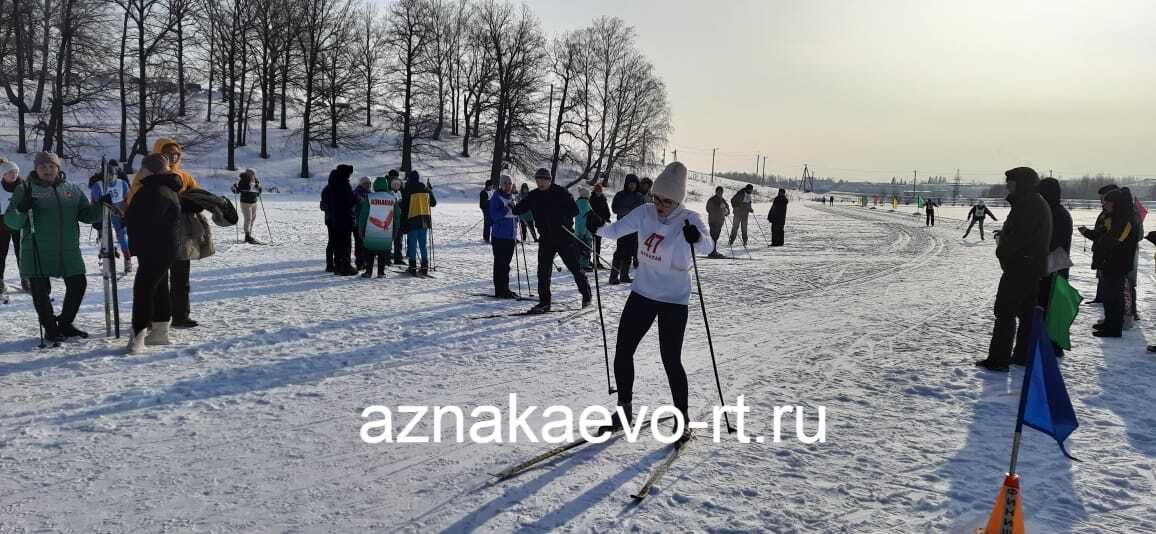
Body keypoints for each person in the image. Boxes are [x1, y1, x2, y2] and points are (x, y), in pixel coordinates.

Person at [585, 162, 712, 441]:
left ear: (678, 200)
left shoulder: (689, 218)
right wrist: (597, 226)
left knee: (670, 359)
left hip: (674, 300)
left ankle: (683, 419)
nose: (660, 205)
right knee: (623, 351)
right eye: (656, 198)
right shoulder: (644, 212)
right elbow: (615, 230)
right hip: (643, 292)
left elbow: (708, 246)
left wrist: (697, 237)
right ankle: (624, 411)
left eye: (667, 201)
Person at [3, 152, 103, 342]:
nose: (47, 170)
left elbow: (87, 215)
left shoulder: (72, 190)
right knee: (41, 291)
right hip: (37, 249)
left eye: (51, 166)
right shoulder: (25, 189)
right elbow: (12, 222)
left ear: (58, 168)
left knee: (78, 284)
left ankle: (65, 323)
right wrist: (21, 209)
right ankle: (50, 328)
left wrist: (100, 205)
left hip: (68, 249)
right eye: (43, 167)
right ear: (36, 169)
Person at [976, 167, 1052, 372]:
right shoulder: (1030, 203)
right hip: (1029, 267)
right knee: (1026, 313)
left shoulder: (1030, 205)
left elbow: (1020, 237)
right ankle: (1022, 356)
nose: (1007, 185)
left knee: (1005, 310)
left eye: (1011, 181)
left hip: (1021, 267)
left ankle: (999, 359)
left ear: (1022, 183)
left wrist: (1003, 248)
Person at [128, 139, 203, 328]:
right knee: (159, 282)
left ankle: (179, 315)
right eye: (168, 153)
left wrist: (186, 202)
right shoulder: (146, 178)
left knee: (178, 277)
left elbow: (198, 194)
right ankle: (159, 320)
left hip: (176, 232)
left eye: (176, 154)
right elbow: (133, 197)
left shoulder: (182, 177)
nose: (173, 157)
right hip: (161, 234)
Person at [511, 167, 592, 313]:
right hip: (546, 238)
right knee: (543, 271)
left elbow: (575, 210)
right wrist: (513, 207)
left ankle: (587, 296)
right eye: (538, 180)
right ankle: (544, 302)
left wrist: (560, 216)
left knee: (575, 268)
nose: (540, 183)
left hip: (564, 237)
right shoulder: (534, 195)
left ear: (549, 180)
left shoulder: (560, 192)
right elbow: (520, 208)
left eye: (543, 180)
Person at [124, 154, 182, 354]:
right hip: (162, 247)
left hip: (155, 248)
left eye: (143, 168)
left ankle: (138, 336)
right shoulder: (163, 187)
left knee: (144, 289)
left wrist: (128, 217)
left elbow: (149, 219)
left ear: (149, 170)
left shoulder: (154, 189)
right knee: (158, 288)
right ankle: (160, 332)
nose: (140, 172)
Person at [1091, 188, 1138, 338]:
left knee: (1115, 297)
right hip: (1110, 263)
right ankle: (1109, 322)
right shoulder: (1116, 218)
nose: (1105, 205)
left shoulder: (1126, 220)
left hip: (1118, 264)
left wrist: (1100, 240)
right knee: (1108, 296)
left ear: (1116, 204)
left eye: (1108, 203)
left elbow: (1115, 241)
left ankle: (1114, 327)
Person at [1036, 178, 1072, 357]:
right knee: (1045, 304)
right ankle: (1046, 342)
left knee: (1050, 305)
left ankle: (1052, 344)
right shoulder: (1053, 211)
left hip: (1054, 266)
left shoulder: (1058, 214)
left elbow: (1053, 242)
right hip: (1053, 264)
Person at [89, 160, 132, 274]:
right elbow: (94, 202)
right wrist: (96, 219)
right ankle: (106, 262)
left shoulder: (122, 183)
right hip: (104, 213)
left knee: (123, 238)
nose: (109, 178)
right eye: (107, 175)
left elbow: (128, 199)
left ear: (116, 175)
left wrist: (125, 213)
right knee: (105, 239)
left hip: (119, 213)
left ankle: (127, 261)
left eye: (112, 175)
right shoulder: (97, 186)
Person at [1078, 184, 1118, 304]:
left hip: (1109, 254)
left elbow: (1103, 236)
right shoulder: (1105, 212)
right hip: (1101, 252)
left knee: (1108, 279)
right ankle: (1100, 298)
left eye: (1103, 198)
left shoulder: (1113, 215)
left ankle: (1106, 301)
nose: (1102, 202)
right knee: (1101, 276)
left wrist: (1087, 233)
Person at [357, 175, 399, 278]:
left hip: (371, 230)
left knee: (369, 251)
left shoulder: (370, 197)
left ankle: (368, 272)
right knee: (383, 251)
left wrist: (360, 228)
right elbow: (397, 216)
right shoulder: (392, 198)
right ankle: (381, 272)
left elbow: (364, 215)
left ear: (375, 185)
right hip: (386, 231)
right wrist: (395, 230)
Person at [400, 170, 436, 276]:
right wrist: (430, 190)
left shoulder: (408, 189)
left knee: (412, 244)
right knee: (423, 244)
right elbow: (433, 203)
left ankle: (412, 267)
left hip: (412, 219)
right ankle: (424, 267)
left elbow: (404, 206)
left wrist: (403, 221)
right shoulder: (425, 188)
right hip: (424, 219)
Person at [488, 174, 519, 298]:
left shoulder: (512, 198)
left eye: (509, 184)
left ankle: (505, 289)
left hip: (510, 237)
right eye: (505, 183)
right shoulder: (496, 198)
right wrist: (506, 209)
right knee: (500, 264)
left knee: (506, 265)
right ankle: (500, 290)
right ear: (501, 184)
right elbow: (494, 216)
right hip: (499, 237)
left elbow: (515, 218)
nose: (508, 186)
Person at [610, 174, 644, 284]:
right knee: (620, 252)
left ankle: (624, 275)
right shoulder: (620, 195)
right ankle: (613, 276)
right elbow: (614, 209)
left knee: (630, 252)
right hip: (622, 227)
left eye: (634, 183)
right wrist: (627, 211)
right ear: (627, 183)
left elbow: (643, 212)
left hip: (634, 229)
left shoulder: (639, 196)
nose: (632, 185)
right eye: (630, 183)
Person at [324, 165, 358, 276]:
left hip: (334, 218)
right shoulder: (344, 184)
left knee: (337, 243)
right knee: (346, 243)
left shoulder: (332, 184)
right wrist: (356, 199)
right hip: (345, 217)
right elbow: (349, 200)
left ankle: (337, 265)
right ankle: (345, 266)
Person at [1, 158, 23, 296]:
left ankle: (26, 278)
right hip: (2, 224)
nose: (14, 174)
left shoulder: (24, 187)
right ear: (3, 174)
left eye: (15, 172)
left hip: (19, 223)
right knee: (1, 252)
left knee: (22, 252)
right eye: (10, 172)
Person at [232, 169, 263, 244]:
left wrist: (259, 189)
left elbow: (259, 190)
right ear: (247, 174)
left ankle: (249, 234)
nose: (253, 175)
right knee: (248, 218)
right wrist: (235, 188)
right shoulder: (243, 180)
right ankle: (247, 235)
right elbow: (241, 189)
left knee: (253, 218)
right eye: (251, 174)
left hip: (254, 202)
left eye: (254, 174)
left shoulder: (256, 180)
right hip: (245, 202)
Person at [352, 176, 373, 270]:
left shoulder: (371, 194)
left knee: (366, 243)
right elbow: (353, 208)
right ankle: (360, 262)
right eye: (366, 183)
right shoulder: (356, 193)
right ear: (361, 184)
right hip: (357, 222)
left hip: (368, 222)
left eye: (369, 183)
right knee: (359, 242)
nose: (368, 185)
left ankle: (365, 261)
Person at [589, 183, 611, 267]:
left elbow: (606, 209)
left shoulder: (603, 199)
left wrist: (607, 217)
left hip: (601, 223)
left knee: (598, 243)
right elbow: (591, 212)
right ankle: (588, 260)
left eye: (600, 191)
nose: (598, 192)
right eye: (597, 191)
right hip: (592, 224)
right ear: (594, 191)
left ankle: (596, 260)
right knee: (591, 242)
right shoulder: (591, 199)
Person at [705, 186, 730, 258]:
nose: (720, 193)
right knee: (713, 236)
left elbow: (727, 210)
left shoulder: (723, 200)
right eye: (719, 192)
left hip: (720, 221)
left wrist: (726, 211)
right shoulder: (712, 200)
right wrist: (718, 207)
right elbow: (708, 208)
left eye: (721, 192)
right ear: (716, 192)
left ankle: (713, 251)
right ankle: (712, 252)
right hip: (713, 220)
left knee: (716, 237)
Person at [574, 187, 594, 271]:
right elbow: (591, 215)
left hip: (578, 228)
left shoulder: (576, 202)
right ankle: (584, 264)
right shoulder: (586, 203)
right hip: (586, 228)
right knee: (586, 246)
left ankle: (579, 262)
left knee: (579, 246)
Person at [388, 171, 405, 265]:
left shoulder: (398, 190)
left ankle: (389, 257)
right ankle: (396, 258)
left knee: (393, 238)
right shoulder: (391, 189)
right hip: (393, 217)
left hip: (393, 217)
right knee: (397, 238)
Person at [479, 179, 494, 244]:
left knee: (493, 224)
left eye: (491, 186)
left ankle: (493, 238)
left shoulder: (492, 191)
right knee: (487, 224)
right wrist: (490, 202)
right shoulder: (483, 192)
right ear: (487, 186)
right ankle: (486, 238)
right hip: (486, 210)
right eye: (490, 186)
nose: (491, 187)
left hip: (492, 210)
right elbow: (483, 203)